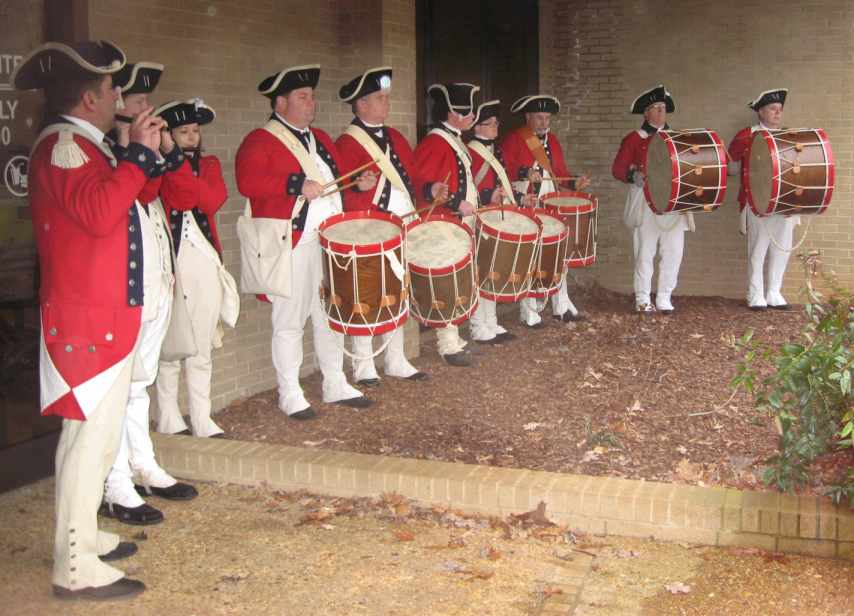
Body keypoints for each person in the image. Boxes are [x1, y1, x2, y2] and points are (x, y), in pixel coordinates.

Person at [14, 39, 162, 600]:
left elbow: (119, 197)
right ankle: (73, 566)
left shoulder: (85, 144)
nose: (119, 97)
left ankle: (78, 539)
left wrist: (137, 154)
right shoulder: (64, 146)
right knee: (86, 440)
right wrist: (137, 157)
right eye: (112, 89)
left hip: (100, 318)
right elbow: (102, 212)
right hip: (87, 323)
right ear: (88, 96)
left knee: (96, 441)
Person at [235, 65, 375, 420]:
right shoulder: (260, 139)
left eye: (311, 96)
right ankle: (290, 392)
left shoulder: (322, 139)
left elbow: (340, 178)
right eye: (303, 97)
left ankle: (334, 382)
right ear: (280, 102)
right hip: (293, 244)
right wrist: (296, 184)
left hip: (329, 242)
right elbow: (248, 181)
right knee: (289, 322)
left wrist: (358, 183)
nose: (311, 103)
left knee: (330, 316)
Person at [99, 60, 199, 527]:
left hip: (154, 283)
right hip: (120, 291)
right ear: (118, 107)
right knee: (117, 390)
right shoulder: (100, 155)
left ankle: (143, 464)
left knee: (139, 385)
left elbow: (176, 196)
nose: (149, 111)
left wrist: (166, 152)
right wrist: (135, 152)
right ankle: (114, 482)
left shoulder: (145, 150)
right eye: (140, 103)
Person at [335, 66, 428, 387]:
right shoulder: (347, 143)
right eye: (379, 98)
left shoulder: (396, 137)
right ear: (360, 105)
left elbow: (413, 177)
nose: (386, 104)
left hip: (402, 226)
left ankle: (396, 358)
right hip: (369, 229)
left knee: (397, 291)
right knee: (368, 291)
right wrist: (360, 189)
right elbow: (340, 194)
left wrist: (430, 193)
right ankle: (363, 365)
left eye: (387, 98)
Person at [154, 98, 234, 435]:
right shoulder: (155, 165)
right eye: (183, 131)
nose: (191, 137)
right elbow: (184, 198)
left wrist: (180, 170)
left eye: (195, 131)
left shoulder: (210, 164)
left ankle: (202, 416)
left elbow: (212, 199)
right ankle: (168, 416)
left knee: (200, 342)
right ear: (168, 135)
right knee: (171, 344)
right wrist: (172, 164)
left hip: (203, 258)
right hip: (170, 259)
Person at [501, 94, 590, 326]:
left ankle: (561, 305)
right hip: (529, 202)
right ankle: (529, 311)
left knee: (557, 253)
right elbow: (503, 170)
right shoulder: (514, 139)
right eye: (539, 117)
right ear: (527, 117)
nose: (544, 122)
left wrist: (574, 182)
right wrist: (524, 172)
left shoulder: (554, 141)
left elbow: (560, 171)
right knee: (532, 255)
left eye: (547, 117)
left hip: (551, 201)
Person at [413, 82, 480, 367]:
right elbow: (424, 186)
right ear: (453, 114)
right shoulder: (435, 142)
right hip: (442, 222)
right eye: (468, 112)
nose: (472, 117)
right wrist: (454, 204)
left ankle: (453, 337)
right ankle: (447, 345)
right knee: (446, 282)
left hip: (456, 221)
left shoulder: (452, 140)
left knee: (456, 279)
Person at [612, 85, 691, 314]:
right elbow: (618, 169)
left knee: (674, 251)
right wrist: (632, 175)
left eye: (663, 108)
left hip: (673, 203)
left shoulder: (677, 139)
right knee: (645, 251)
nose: (660, 112)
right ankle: (643, 297)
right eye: (655, 108)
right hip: (646, 201)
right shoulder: (634, 139)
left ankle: (665, 297)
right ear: (646, 113)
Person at [727, 88, 796, 311]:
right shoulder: (746, 135)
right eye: (772, 109)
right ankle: (755, 294)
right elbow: (731, 167)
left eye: (780, 109)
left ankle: (774, 291)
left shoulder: (789, 136)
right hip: (757, 201)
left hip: (784, 200)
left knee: (782, 248)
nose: (777, 113)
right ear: (760, 112)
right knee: (757, 249)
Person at [466, 99, 516, 344]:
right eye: (490, 123)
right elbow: (467, 186)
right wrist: (488, 195)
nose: (495, 127)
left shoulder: (495, 150)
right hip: (481, 215)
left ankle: (492, 322)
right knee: (481, 270)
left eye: (497, 123)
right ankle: (478, 326)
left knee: (492, 270)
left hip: (496, 214)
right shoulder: (471, 151)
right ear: (476, 127)